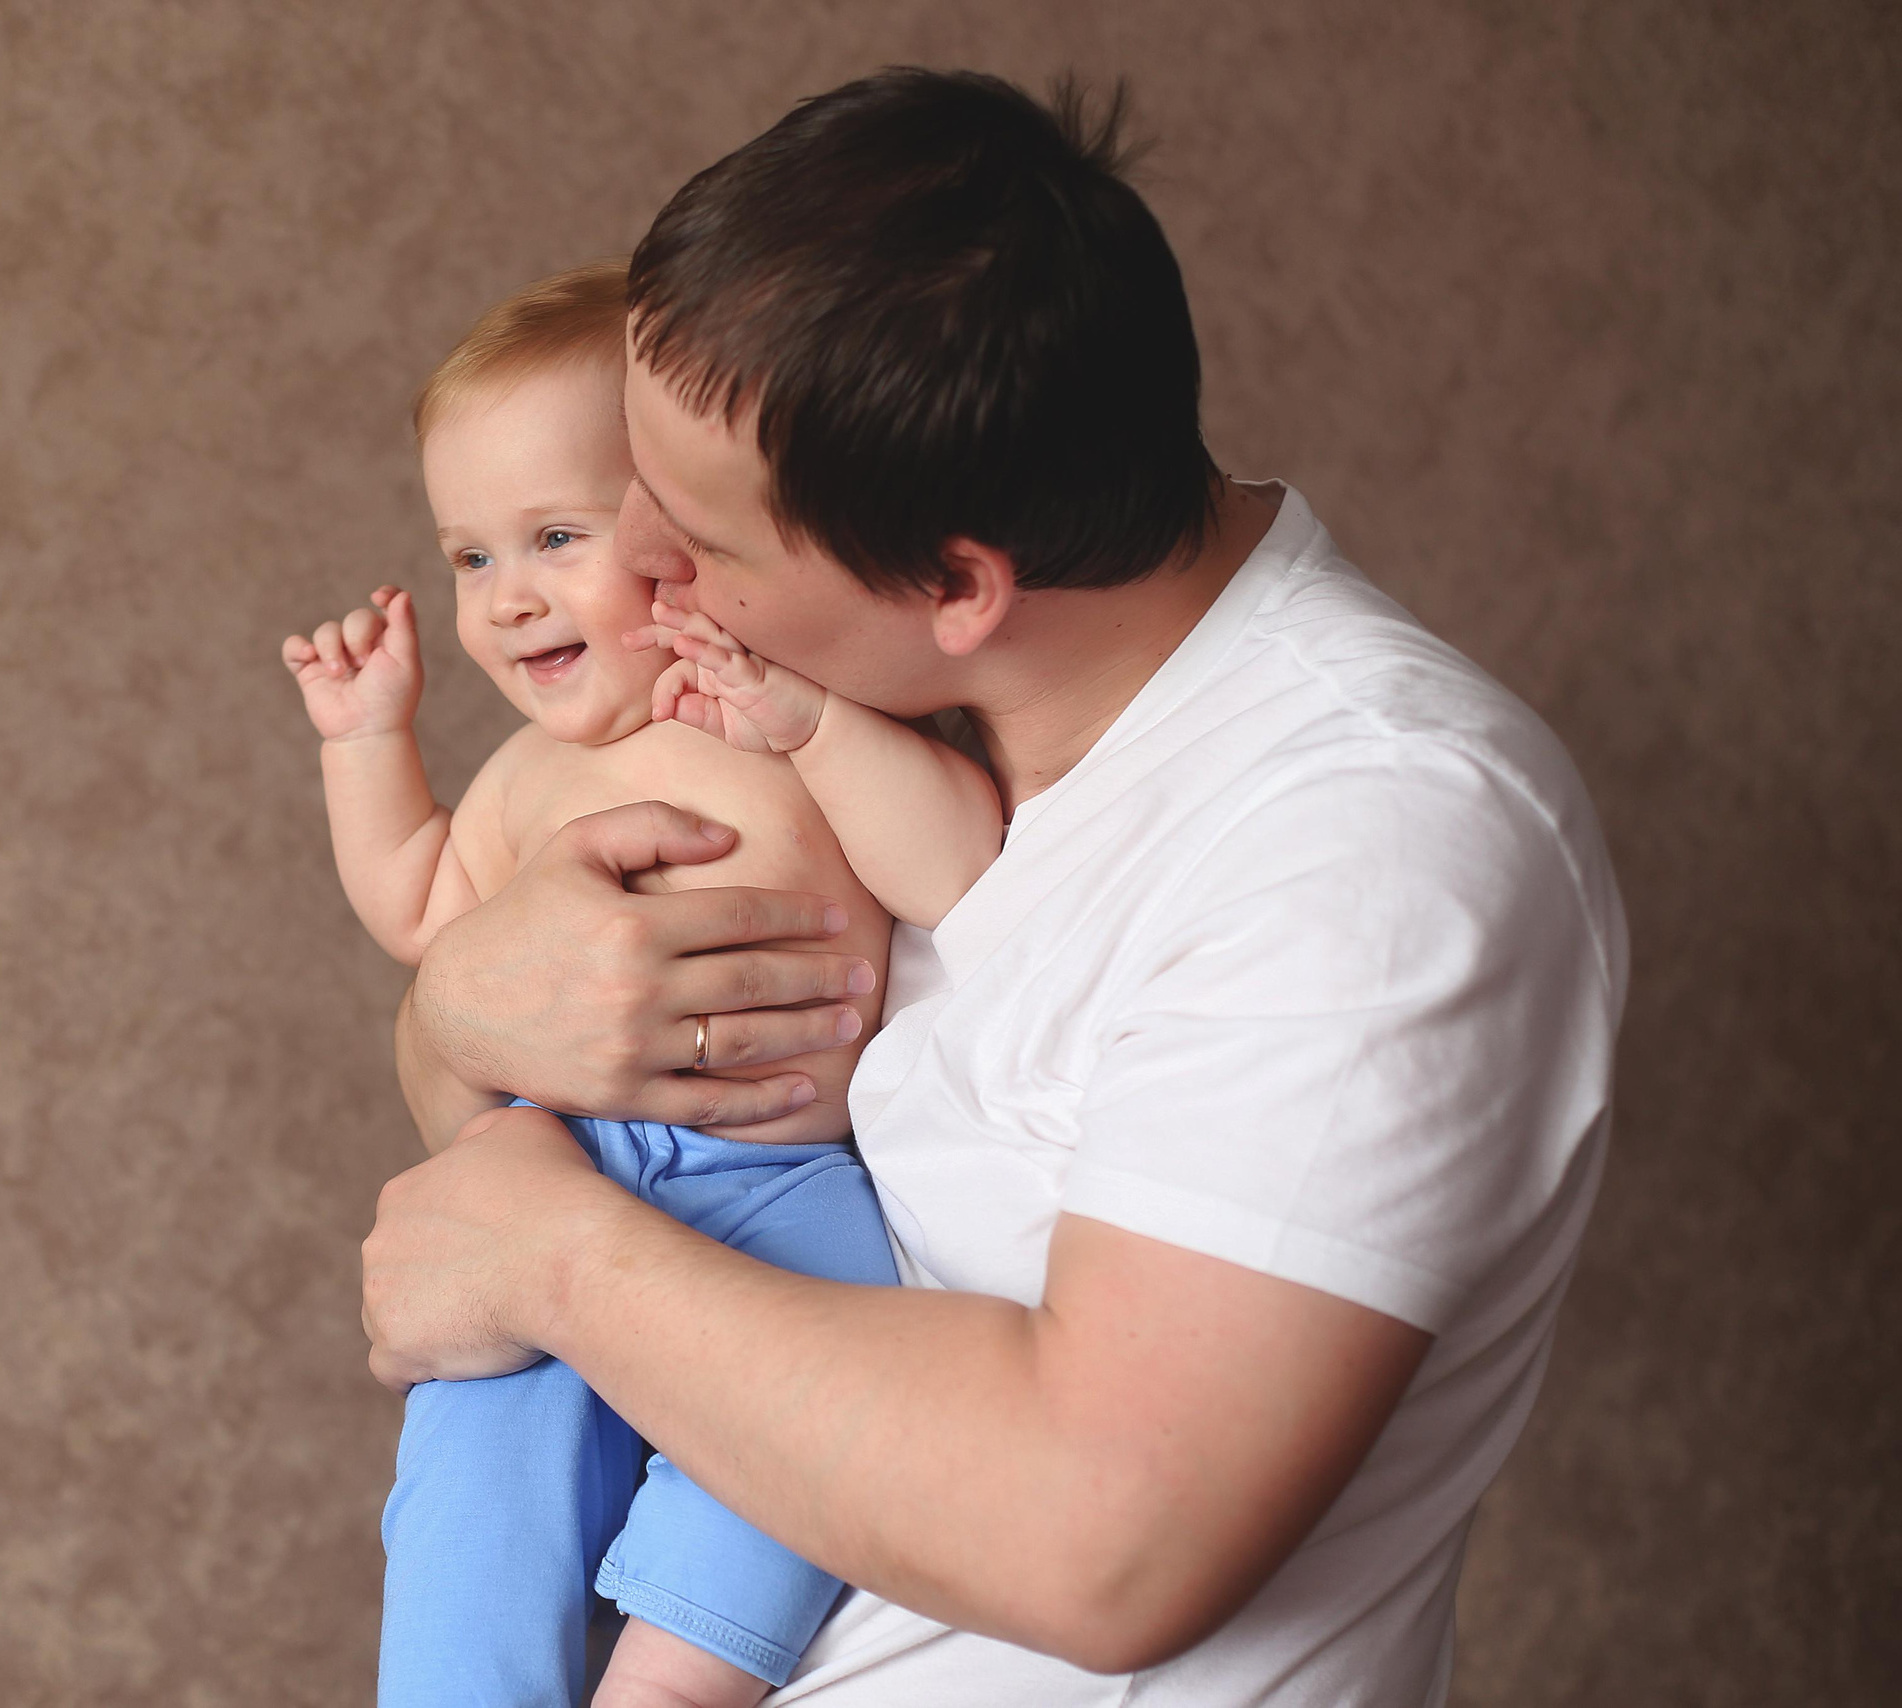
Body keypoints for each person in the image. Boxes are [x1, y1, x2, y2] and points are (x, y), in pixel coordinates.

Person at [361, 68, 1628, 1705]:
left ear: (958, 581)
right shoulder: (845, 710)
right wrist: (456, 1016)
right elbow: (520, 1109)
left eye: (698, 539)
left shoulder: (1370, 830)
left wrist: (555, 1260)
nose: (636, 575)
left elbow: (1112, 1534)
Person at [281, 261, 998, 1707]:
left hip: (780, 1182)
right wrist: (367, 748)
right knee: (475, 1466)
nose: (507, 597)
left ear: (675, 530)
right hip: (562, 1176)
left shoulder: (772, 709)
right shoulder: (521, 781)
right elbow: (424, 913)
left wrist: (812, 724)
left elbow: (962, 867)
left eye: (553, 535)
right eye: (469, 557)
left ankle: (672, 1679)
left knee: (811, 1426)